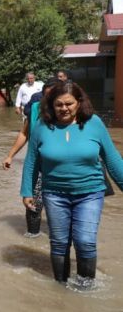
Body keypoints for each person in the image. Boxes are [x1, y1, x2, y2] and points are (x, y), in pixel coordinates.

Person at [20, 81, 123, 283]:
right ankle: (61, 287)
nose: (64, 109)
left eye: (69, 104)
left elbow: (112, 159)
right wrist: (27, 191)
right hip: (54, 194)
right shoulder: (42, 126)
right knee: (59, 243)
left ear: (79, 103)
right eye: (59, 104)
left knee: (85, 241)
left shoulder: (94, 123)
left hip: (90, 193)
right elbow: (31, 160)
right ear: (51, 104)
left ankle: (85, 287)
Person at [2, 78, 60, 237]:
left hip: (60, 168)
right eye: (47, 97)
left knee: (59, 210)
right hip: (38, 165)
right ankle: (32, 236)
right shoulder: (36, 109)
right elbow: (24, 133)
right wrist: (10, 155)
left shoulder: (67, 112)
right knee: (33, 204)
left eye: (55, 96)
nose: (51, 101)